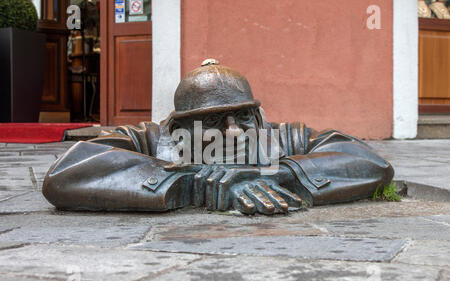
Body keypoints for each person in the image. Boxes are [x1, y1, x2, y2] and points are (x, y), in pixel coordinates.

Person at [42, 59, 394, 215]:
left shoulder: (284, 138)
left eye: (242, 115)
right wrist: (194, 182)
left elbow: (369, 162)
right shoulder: (150, 139)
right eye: (213, 120)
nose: (235, 131)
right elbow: (66, 173)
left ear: (256, 114)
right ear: (178, 128)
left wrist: (274, 173)